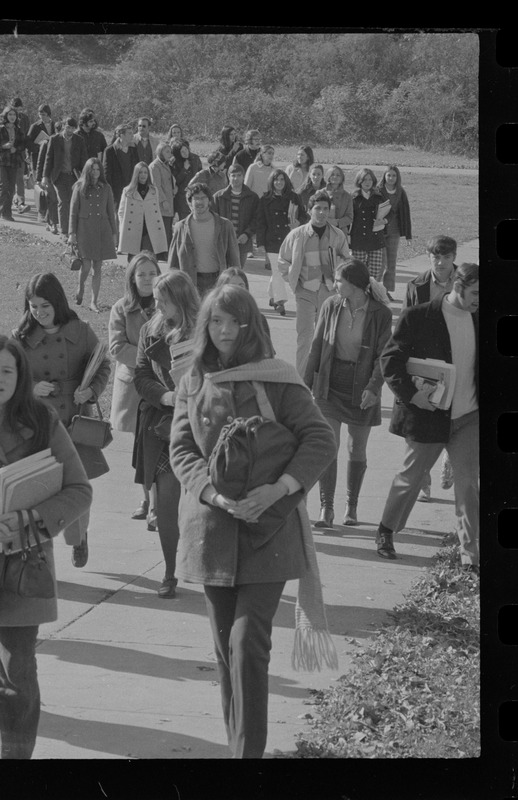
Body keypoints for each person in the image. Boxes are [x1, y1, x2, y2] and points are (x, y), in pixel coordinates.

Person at [169, 283, 338, 758]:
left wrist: (278, 490)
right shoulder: (192, 380)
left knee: (247, 646)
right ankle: (237, 750)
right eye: (216, 322)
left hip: (271, 533)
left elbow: (320, 441)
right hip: (211, 532)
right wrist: (214, 494)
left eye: (234, 322)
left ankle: (249, 758)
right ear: (205, 325)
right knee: (226, 654)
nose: (224, 331)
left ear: (251, 326)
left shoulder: (279, 378)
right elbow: (181, 450)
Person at [0, 333, 92, 759]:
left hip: (22, 564)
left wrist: (25, 521)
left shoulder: (43, 421)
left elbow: (79, 491)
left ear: (21, 375)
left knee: (17, 674)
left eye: (6, 370)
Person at [376, 263, 479, 572]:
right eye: (475, 294)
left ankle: (471, 555)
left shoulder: (482, 318)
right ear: (457, 288)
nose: (480, 300)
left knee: (468, 484)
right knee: (410, 477)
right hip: (428, 415)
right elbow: (390, 361)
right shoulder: (419, 317)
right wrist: (413, 395)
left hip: (468, 417)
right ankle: (386, 531)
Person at [12, 273, 111, 569]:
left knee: (77, 485)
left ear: (57, 302)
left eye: (45, 306)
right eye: (33, 307)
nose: (39, 313)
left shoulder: (80, 330)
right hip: (38, 422)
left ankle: (79, 538)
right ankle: (43, 551)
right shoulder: (19, 337)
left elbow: (102, 364)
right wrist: (29, 389)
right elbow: (5, 374)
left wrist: (91, 391)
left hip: (75, 419)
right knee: (40, 489)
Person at [304, 260, 392, 528]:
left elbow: (383, 356)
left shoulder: (380, 314)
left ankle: (351, 507)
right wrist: (306, 384)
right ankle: (326, 508)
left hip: (362, 386)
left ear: (354, 284)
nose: (335, 284)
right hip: (330, 383)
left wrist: (374, 387)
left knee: (357, 448)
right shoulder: (331, 305)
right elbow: (317, 344)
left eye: (339, 281)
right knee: (329, 445)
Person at [134, 270, 201, 598]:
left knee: (203, 505)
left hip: (204, 429)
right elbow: (141, 374)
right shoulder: (150, 329)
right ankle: (170, 571)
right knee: (166, 504)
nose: (156, 303)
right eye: (156, 299)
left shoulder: (207, 330)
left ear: (182, 299)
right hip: (163, 428)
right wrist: (167, 396)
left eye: (163, 299)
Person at [404, 235, 459, 502]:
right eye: (435, 257)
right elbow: (405, 325)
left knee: (454, 414)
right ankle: (422, 478)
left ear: (453, 258)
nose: (440, 262)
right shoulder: (416, 285)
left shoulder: (467, 282)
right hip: (425, 360)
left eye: (446, 257)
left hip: (458, 358)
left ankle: (448, 459)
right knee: (422, 417)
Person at [108, 251, 161, 524]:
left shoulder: (167, 305)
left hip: (163, 385)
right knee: (142, 447)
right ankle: (147, 499)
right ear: (132, 277)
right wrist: (148, 359)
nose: (147, 279)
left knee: (157, 445)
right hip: (134, 386)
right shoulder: (121, 307)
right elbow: (116, 347)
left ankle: (157, 502)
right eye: (141, 274)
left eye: (152, 273)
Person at [277, 189, 352, 376]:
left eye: (325, 208)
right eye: (317, 208)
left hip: (329, 293)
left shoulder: (337, 235)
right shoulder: (297, 235)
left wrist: (339, 277)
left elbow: (348, 261)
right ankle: (301, 381)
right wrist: (294, 283)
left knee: (328, 338)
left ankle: (322, 381)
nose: (322, 212)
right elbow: (282, 262)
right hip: (305, 292)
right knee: (305, 339)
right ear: (309, 210)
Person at [168, 183, 240, 295]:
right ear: (189, 202)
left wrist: (236, 283)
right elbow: (173, 263)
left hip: (218, 281)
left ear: (209, 201)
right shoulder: (180, 227)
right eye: (196, 198)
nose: (199, 202)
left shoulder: (225, 225)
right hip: (191, 283)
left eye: (203, 198)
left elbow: (234, 259)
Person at [68, 157, 117, 313]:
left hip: (102, 230)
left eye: (98, 170)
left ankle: (94, 301)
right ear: (87, 171)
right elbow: (73, 212)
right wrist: (71, 233)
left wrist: (114, 233)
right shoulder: (79, 187)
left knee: (98, 267)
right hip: (84, 230)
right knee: (86, 265)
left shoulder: (106, 188)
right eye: (93, 170)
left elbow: (111, 212)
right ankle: (80, 286)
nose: (96, 173)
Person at [256, 168, 305, 316]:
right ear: (272, 182)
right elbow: (261, 222)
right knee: (277, 272)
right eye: (276, 179)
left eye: (282, 179)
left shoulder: (294, 198)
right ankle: (280, 302)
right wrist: (260, 243)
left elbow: (304, 216)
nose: (279, 182)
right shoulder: (265, 200)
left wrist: (298, 223)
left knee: (281, 272)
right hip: (272, 240)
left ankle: (272, 294)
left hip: (290, 239)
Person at [41, 117, 88, 240]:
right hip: (59, 175)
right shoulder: (54, 139)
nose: (70, 130)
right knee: (63, 201)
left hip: (74, 175)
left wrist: (85, 176)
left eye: (73, 128)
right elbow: (48, 158)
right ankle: (65, 231)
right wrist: (45, 176)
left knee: (73, 202)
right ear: (63, 126)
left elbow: (84, 159)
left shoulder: (79, 140)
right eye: (68, 127)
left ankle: (73, 230)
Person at [215, 268, 275, 356]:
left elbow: (267, 355)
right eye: (232, 285)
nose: (237, 289)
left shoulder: (258, 318)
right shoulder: (213, 318)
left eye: (241, 285)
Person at [118, 161, 168, 261]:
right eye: (140, 172)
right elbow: (121, 211)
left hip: (150, 230)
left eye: (145, 172)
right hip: (133, 230)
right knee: (133, 261)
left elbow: (156, 210)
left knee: (149, 259)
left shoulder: (154, 190)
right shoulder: (128, 191)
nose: (143, 175)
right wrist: (124, 227)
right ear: (136, 174)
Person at [213, 163, 260, 267]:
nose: (236, 178)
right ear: (228, 176)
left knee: (237, 271)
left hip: (242, 242)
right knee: (221, 273)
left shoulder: (252, 197)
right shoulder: (218, 197)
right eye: (233, 175)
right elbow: (213, 218)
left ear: (243, 177)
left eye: (239, 175)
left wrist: (247, 234)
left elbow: (257, 219)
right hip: (222, 242)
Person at [377, 165, 412, 294]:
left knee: (391, 264)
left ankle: (386, 291)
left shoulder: (400, 192)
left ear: (397, 177)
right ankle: (376, 290)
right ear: (384, 176)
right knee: (380, 263)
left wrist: (408, 234)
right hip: (380, 231)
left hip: (394, 231)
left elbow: (406, 213)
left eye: (394, 175)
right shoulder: (378, 190)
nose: (391, 178)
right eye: (389, 175)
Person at [349, 168, 387, 281]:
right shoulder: (353, 197)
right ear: (359, 181)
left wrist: (384, 221)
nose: (367, 182)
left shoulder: (379, 197)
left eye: (370, 179)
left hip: (375, 239)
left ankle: (371, 295)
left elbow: (390, 213)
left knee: (374, 274)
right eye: (364, 179)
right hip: (358, 240)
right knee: (358, 272)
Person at [0, 109, 27, 222]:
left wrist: (16, 148)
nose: (12, 117)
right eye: (10, 114)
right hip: (1, 161)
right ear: (5, 116)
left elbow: (23, 144)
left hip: (14, 161)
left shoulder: (18, 130)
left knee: (11, 187)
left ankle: (7, 213)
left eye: (14, 115)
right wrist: (4, 146)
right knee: (3, 185)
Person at [102, 124, 139, 231]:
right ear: (121, 135)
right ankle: (117, 242)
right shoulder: (110, 150)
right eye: (129, 133)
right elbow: (106, 172)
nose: (132, 135)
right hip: (117, 189)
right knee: (118, 214)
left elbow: (137, 167)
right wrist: (110, 190)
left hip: (132, 188)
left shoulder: (133, 149)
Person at [149, 141, 178, 247]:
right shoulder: (155, 166)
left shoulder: (166, 165)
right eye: (167, 152)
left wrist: (175, 187)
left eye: (170, 152)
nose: (170, 154)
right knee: (162, 228)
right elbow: (156, 185)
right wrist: (163, 200)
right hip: (161, 203)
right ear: (160, 152)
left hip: (170, 200)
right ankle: (162, 252)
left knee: (168, 227)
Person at [36, 121, 62, 235]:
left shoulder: (67, 143)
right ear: (56, 130)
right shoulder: (47, 143)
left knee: (56, 199)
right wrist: (39, 178)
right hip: (48, 176)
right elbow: (41, 161)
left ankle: (48, 220)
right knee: (53, 199)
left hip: (61, 176)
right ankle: (53, 224)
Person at [169, 139, 201, 221]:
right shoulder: (174, 162)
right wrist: (184, 169)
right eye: (182, 152)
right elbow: (176, 181)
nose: (186, 152)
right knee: (185, 219)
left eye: (186, 150)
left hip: (195, 192)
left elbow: (201, 174)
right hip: (182, 195)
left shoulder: (195, 158)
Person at [324, 165, 354, 239]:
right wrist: (327, 221)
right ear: (328, 177)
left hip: (340, 233)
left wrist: (337, 222)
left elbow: (349, 217)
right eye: (332, 174)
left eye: (338, 175)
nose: (335, 177)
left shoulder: (347, 196)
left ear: (342, 178)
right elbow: (312, 212)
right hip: (323, 231)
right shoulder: (320, 193)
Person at [26, 104, 54, 177]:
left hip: (51, 158)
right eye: (40, 114)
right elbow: (28, 142)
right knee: (38, 182)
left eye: (44, 114)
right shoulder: (35, 126)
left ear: (49, 114)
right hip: (38, 157)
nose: (42, 116)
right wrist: (38, 147)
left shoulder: (55, 125)